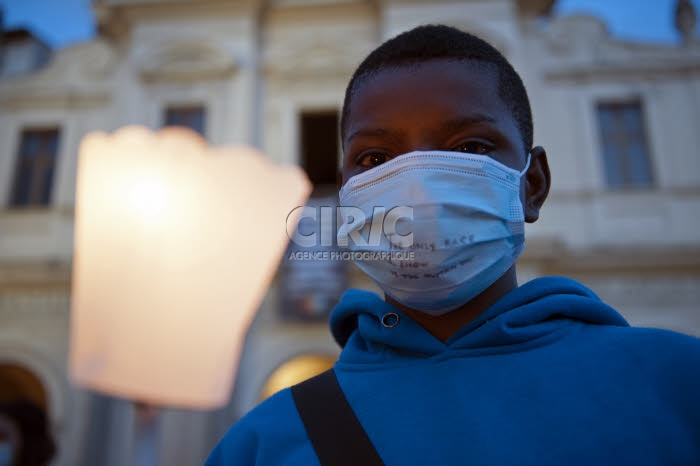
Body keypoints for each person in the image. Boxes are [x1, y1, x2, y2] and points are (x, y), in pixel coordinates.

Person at [205, 24, 700, 465]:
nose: (418, 188)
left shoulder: (679, 385)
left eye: (469, 147)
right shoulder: (259, 446)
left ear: (533, 183)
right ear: (346, 195)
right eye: (375, 158)